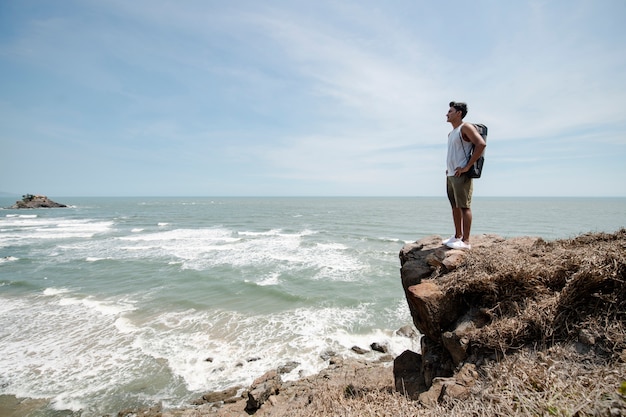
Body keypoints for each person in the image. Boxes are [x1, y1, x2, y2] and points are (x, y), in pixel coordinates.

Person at [442, 101, 487, 250]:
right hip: (451, 174)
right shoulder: (451, 133)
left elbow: (481, 144)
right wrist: (448, 169)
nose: (447, 114)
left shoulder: (465, 127)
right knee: (454, 206)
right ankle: (457, 236)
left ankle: (466, 241)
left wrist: (467, 166)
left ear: (458, 113)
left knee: (464, 207)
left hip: (462, 174)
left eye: (450, 111)